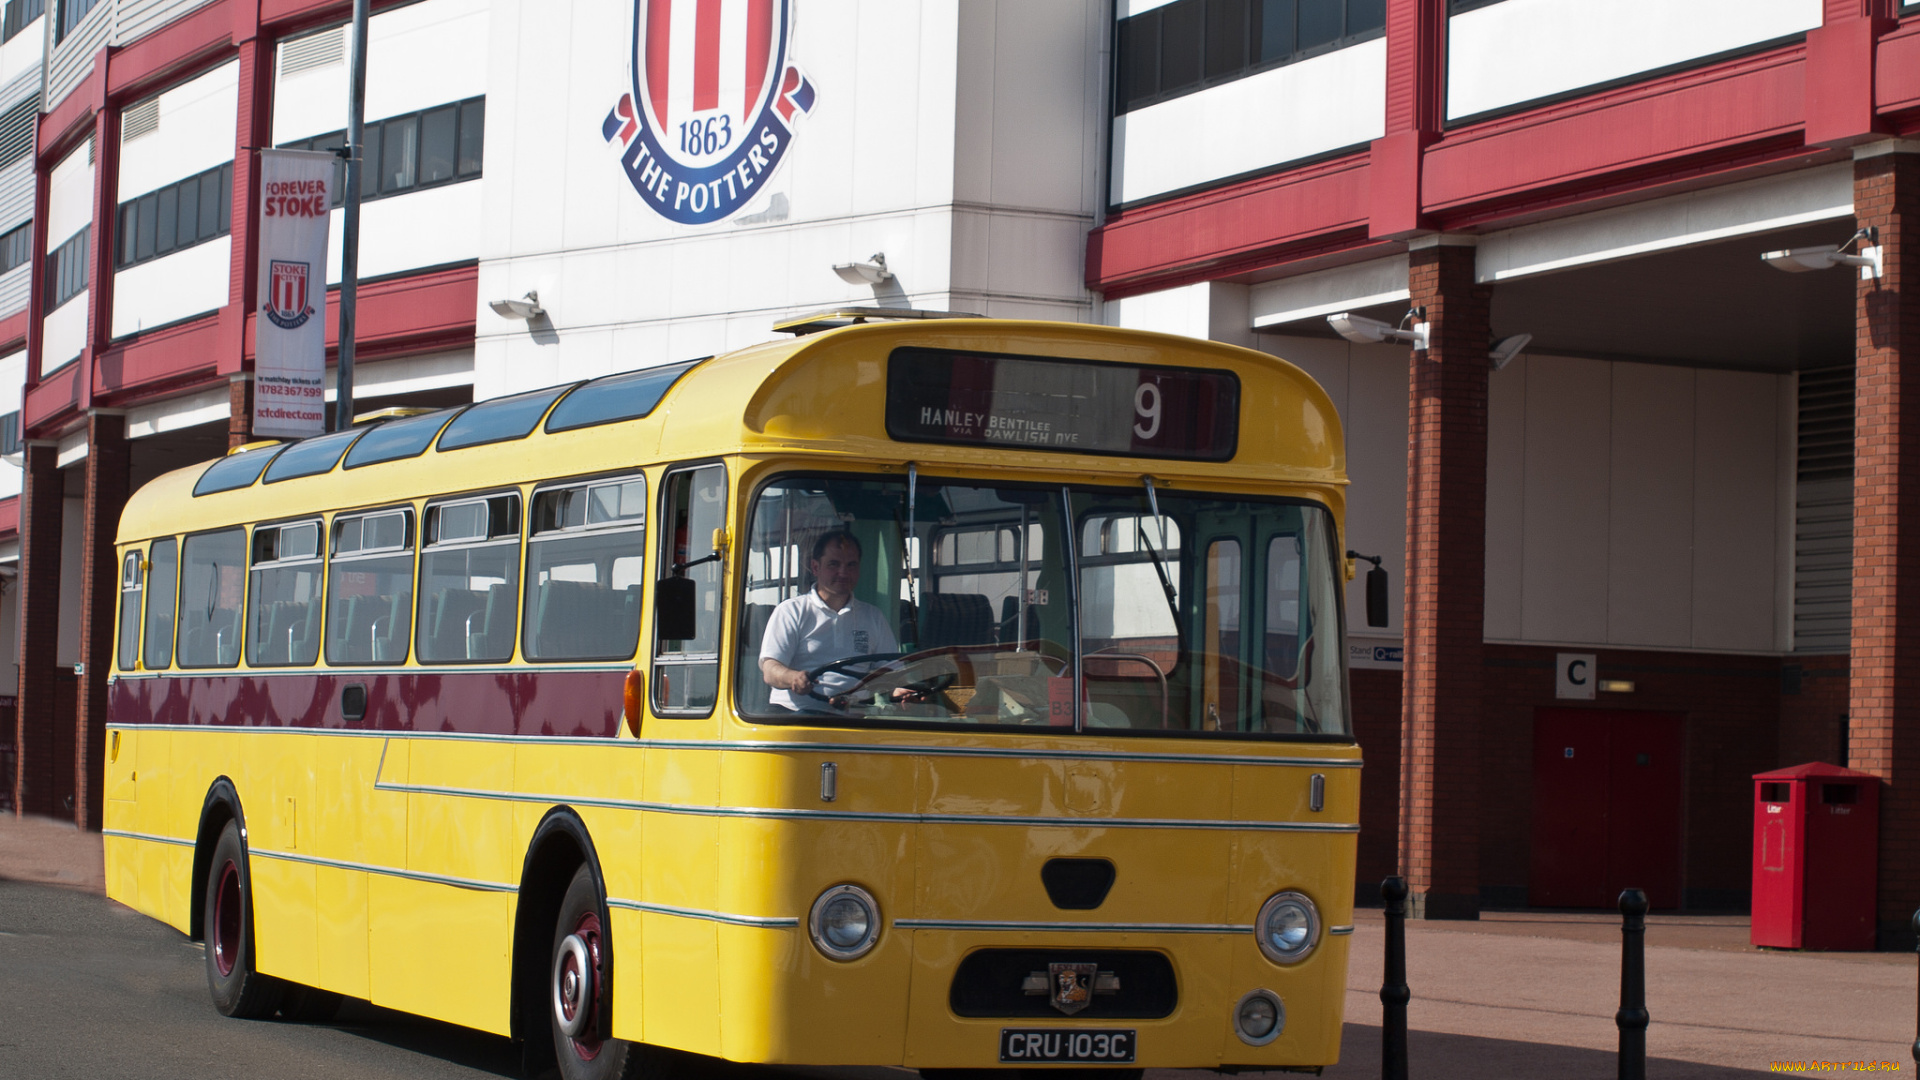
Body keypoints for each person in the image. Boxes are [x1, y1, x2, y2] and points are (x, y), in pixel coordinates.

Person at [759, 530, 904, 712]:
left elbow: (891, 672)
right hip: (797, 716)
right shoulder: (791, 611)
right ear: (815, 567)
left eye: (851, 565)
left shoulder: (873, 617)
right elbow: (770, 670)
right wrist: (793, 678)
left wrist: (900, 690)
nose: (843, 572)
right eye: (834, 564)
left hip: (855, 717)